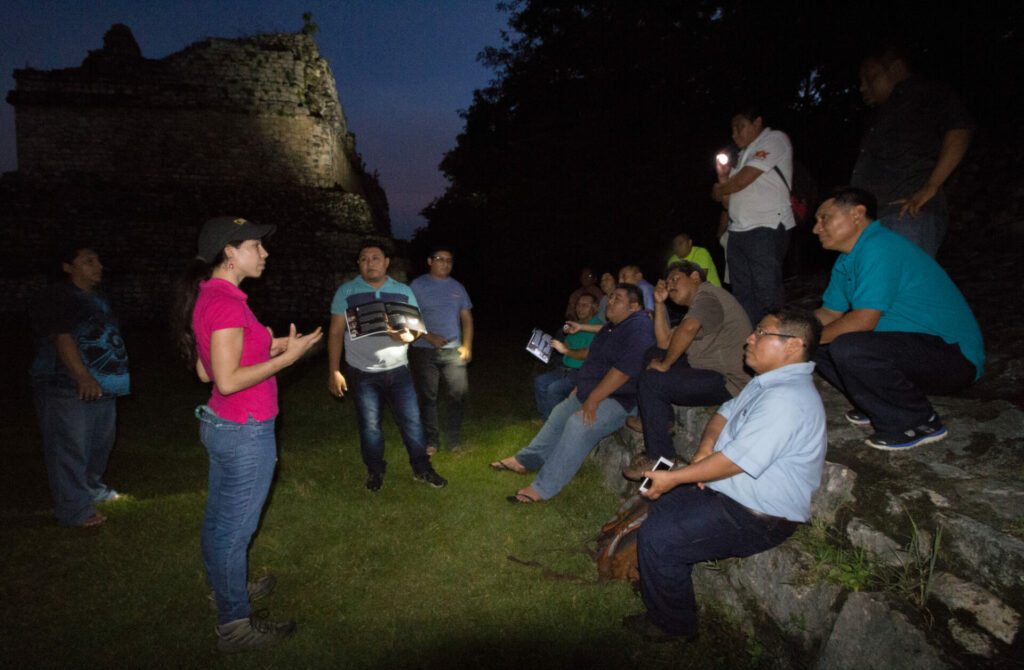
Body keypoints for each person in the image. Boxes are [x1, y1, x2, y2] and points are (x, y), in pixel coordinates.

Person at [623, 308, 826, 642]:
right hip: (731, 492)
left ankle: (673, 627)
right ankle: (665, 581)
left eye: (761, 332)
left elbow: (734, 462)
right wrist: (704, 451)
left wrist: (679, 476)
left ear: (794, 346)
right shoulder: (765, 383)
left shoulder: (788, 400)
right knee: (661, 505)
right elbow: (723, 414)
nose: (750, 337)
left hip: (759, 515)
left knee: (658, 537)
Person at [173, 216, 322, 652]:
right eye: (256, 246)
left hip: (224, 425)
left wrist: (271, 344)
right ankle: (234, 626)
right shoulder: (225, 303)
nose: (265, 253)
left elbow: (206, 367)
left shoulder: (214, 296)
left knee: (220, 521)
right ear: (230, 252)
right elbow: (227, 379)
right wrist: (287, 359)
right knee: (234, 530)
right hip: (244, 430)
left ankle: (225, 589)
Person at [811, 187, 984, 449]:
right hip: (911, 352)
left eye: (824, 218)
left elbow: (863, 320)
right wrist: (787, 331)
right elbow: (829, 313)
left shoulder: (880, 246)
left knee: (846, 345)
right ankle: (875, 402)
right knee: (815, 344)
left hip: (954, 357)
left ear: (858, 214)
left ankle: (918, 422)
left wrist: (804, 338)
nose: (816, 228)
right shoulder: (846, 260)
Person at [489, 284, 655, 502]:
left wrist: (593, 399)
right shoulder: (612, 327)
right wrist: (582, 387)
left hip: (621, 399)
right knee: (560, 412)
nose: (610, 301)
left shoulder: (639, 327)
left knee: (579, 426)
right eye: (611, 297)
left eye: (617, 298)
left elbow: (623, 372)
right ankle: (526, 460)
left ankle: (542, 488)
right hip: (595, 391)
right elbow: (593, 356)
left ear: (634, 307)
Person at [327, 242, 447, 491]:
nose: (370, 263)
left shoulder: (403, 291)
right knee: (370, 426)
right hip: (362, 373)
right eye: (363, 258)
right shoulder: (346, 292)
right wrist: (334, 371)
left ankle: (422, 469)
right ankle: (375, 471)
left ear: (387, 262)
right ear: (358, 264)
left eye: (375, 257)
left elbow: (415, 330)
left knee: (412, 423)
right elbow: (336, 332)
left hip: (398, 370)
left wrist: (406, 337)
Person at [30, 244, 129, 528]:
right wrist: (81, 375)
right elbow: (60, 336)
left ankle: (91, 488)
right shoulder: (59, 296)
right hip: (66, 385)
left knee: (100, 443)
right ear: (67, 267)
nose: (98, 265)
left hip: (103, 385)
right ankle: (74, 509)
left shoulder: (97, 297)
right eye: (88, 261)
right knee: (69, 447)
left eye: (97, 259)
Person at [623, 261, 751, 480]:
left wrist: (665, 365)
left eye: (675, 279)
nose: (670, 286)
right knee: (653, 353)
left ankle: (661, 459)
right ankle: (662, 421)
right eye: (668, 281)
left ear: (694, 276)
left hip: (729, 380)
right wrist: (659, 303)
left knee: (654, 378)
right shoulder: (698, 306)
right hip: (707, 370)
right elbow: (664, 344)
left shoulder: (707, 296)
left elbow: (688, 328)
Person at [851, 47, 973, 257]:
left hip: (905, 214)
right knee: (878, 288)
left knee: (904, 286)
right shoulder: (878, 116)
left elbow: (959, 130)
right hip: (871, 222)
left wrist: (931, 186)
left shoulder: (927, 93)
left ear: (896, 68)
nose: (862, 87)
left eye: (870, 77)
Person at [711, 106, 795, 326]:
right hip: (737, 231)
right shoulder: (741, 157)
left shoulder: (774, 139)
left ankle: (778, 340)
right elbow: (726, 201)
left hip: (764, 227)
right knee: (743, 295)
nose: (734, 134)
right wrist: (722, 181)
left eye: (740, 127)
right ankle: (753, 341)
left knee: (767, 292)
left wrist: (723, 187)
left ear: (757, 123)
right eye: (732, 129)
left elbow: (743, 181)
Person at [409, 246, 474, 454]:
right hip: (423, 349)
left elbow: (467, 319)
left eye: (449, 260)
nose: (445, 263)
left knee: (457, 394)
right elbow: (408, 318)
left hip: (453, 350)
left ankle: (453, 441)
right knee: (429, 396)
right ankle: (431, 441)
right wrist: (428, 337)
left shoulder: (457, 287)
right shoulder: (417, 286)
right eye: (440, 259)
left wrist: (467, 345)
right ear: (429, 261)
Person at [534, 293, 602, 420]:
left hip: (581, 373)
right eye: (578, 305)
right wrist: (552, 345)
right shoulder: (578, 324)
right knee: (541, 382)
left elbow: (586, 354)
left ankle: (555, 423)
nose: (579, 308)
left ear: (595, 308)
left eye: (584, 305)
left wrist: (565, 350)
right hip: (565, 369)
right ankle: (546, 418)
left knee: (554, 389)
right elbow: (568, 342)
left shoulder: (597, 327)